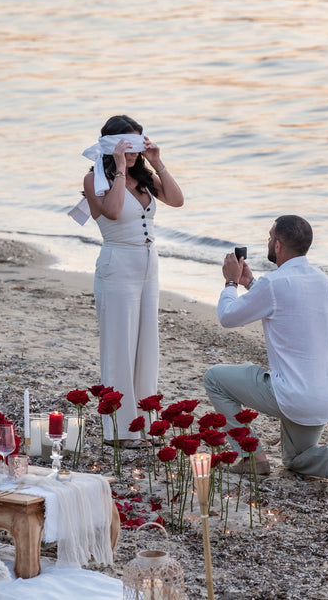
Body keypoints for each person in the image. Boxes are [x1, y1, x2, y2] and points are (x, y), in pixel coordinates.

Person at [203, 215, 328, 491]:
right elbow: (287, 306)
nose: (267, 241)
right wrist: (252, 283)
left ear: (278, 245)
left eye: (269, 237)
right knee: (296, 458)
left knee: (214, 379)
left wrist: (231, 282)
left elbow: (228, 317)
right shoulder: (321, 280)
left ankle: (251, 455)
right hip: (323, 397)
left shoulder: (275, 283)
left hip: (292, 395)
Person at [83, 115, 184, 447]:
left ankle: (146, 423)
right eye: (128, 144)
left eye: (138, 144)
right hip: (117, 268)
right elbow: (112, 211)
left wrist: (157, 162)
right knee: (119, 347)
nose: (133, 151)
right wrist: (119, 168)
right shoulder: (94, 180)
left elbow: (177, 199)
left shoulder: (145, 177)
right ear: (112, 145)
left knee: (146, 344)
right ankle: (120, 431)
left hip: (148, 267)